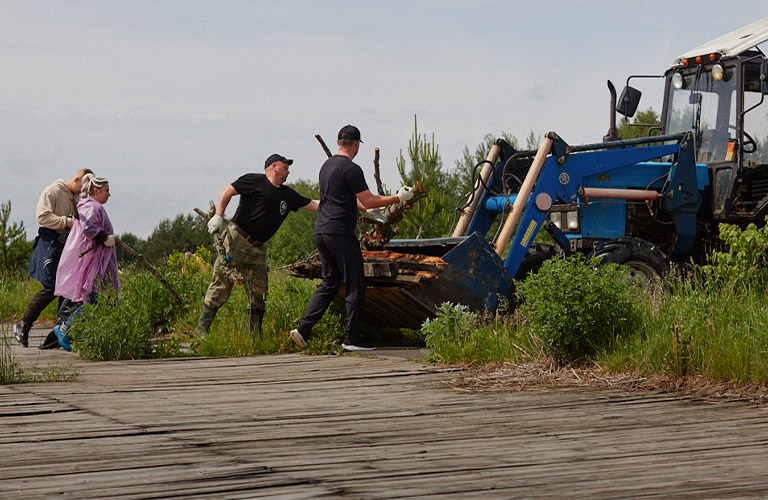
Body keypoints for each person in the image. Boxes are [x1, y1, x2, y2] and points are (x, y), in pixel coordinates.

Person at [290, 125, 413, 351]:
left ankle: (303, 329)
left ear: (338, 142)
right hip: (340, 232)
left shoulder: (326, 166)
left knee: (330, 281)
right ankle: (352, 339)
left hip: (322, 231)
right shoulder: (351, 168)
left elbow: (341, 199)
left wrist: (367, 211)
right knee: (355, 283)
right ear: (356, 144)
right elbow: (369, 200)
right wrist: (398, 197)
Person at [196, 154, 319, 338]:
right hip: (236, 239)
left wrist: (347, 204)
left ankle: (253, 337)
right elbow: (227, 191)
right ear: (274, 166)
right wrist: (219, 216)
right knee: (221, 284)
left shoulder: (287, 195)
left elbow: (315, 204)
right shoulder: (254, 181)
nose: (288, 171)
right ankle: (201, 331)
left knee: (259, 292)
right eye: (286, 167)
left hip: (258, 249)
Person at [13, 168, 93, 348]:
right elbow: (42, 217)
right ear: (77, 179)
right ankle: (23, 324)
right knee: (51, 288)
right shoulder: (52, 191)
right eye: (83, 186)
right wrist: (66, 221)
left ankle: (57, 334)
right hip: (49, 244)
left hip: (66, 246)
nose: (83, 191)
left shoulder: (77, 197)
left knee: (68, 289)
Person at [51, 174, 120, 351]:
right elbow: (90, 229)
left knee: (106, 302)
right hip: (97, 265)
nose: (109, 195)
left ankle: (110, 336)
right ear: (96, 190)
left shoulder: (89, 207)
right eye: (107, 191)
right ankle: (64, 329)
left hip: (100, 263)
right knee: (97, 303)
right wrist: (105, 237)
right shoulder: (92, 207)